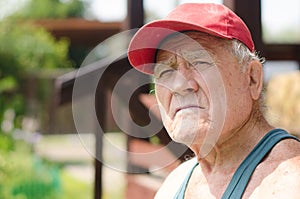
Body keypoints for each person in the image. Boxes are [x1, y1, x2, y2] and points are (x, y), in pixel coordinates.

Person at [127, 3, 300, 199]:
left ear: (252, 78)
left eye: (200, 62)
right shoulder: (177, 181)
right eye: (165, 71)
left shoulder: (288, 182)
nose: (178, 85)